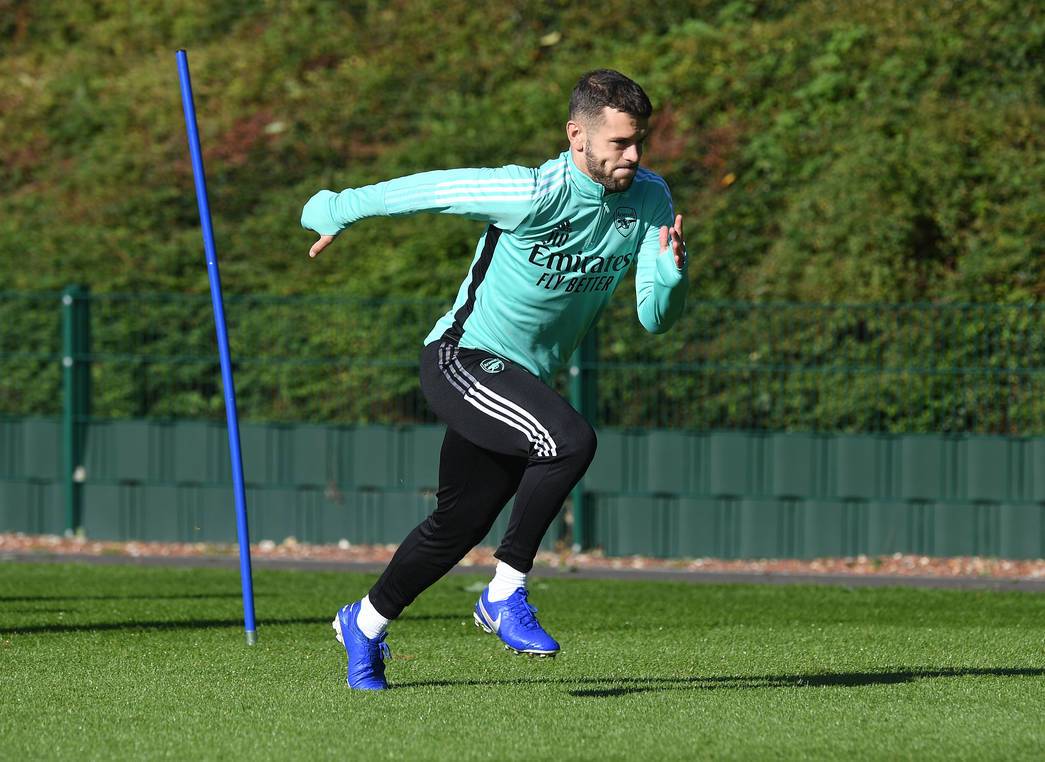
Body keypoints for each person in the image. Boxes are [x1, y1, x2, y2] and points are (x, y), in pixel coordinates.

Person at [301, 69, 688, 690]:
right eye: (619, 143)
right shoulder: (531, 191)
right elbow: (427, 190)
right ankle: (504, 592)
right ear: (576, 136)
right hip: (462, 357)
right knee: (570, 440)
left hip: (519, 381)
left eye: (639, 141)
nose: (633, 156)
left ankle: (364, 624)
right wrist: (337, 209)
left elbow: (654, 318)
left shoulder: (649, 198)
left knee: (458, 524)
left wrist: (670, 277)